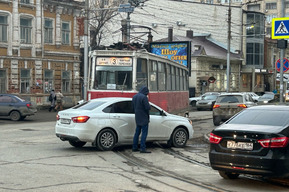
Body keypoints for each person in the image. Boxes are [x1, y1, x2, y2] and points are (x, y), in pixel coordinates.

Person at [132, 86, 151, 153]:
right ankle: (143, 148)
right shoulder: (144, 97)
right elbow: (147, 107)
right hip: (144, 118)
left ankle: (134, 147)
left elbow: (133, 107)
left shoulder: (134, 97)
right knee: (144, 133)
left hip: (137, 117)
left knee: (137, 133)